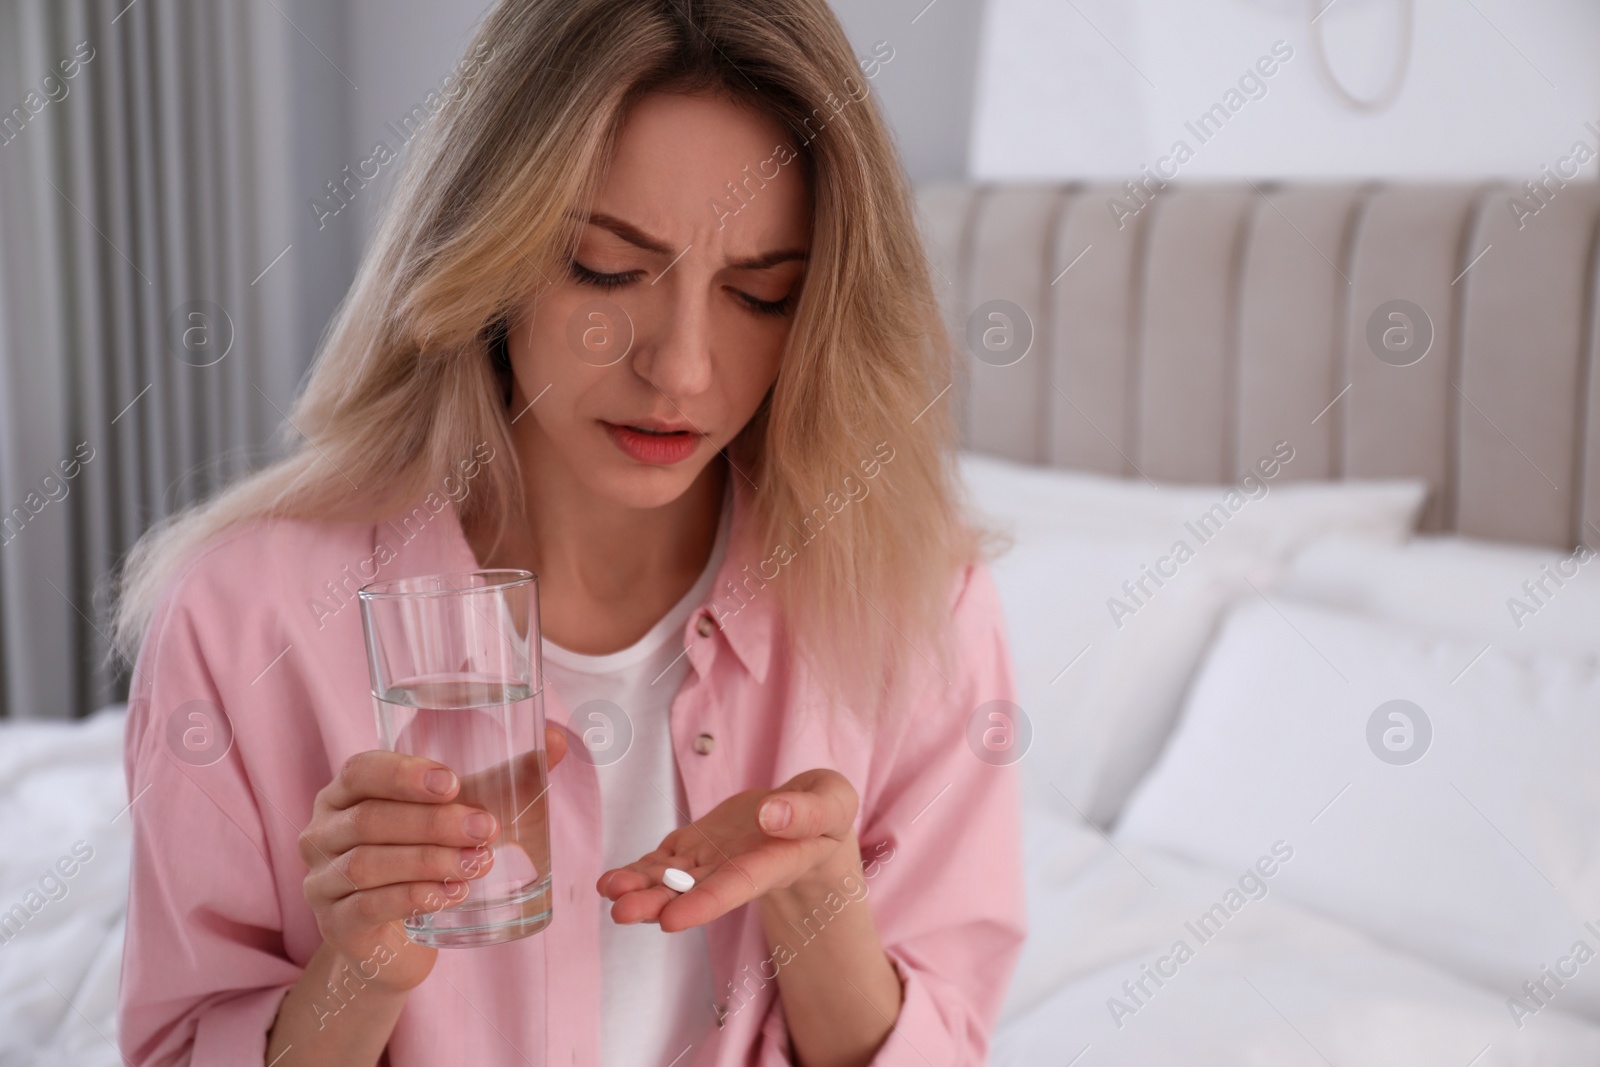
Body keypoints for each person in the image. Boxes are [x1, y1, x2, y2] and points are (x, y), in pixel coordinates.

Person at [111, 0, 1025, 1064]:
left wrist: (822, 905)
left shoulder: (916, 603)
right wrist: (358, 965)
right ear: (486, 249)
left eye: (759, 293)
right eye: (605, 269)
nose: (680, 369)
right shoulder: (243, 614)